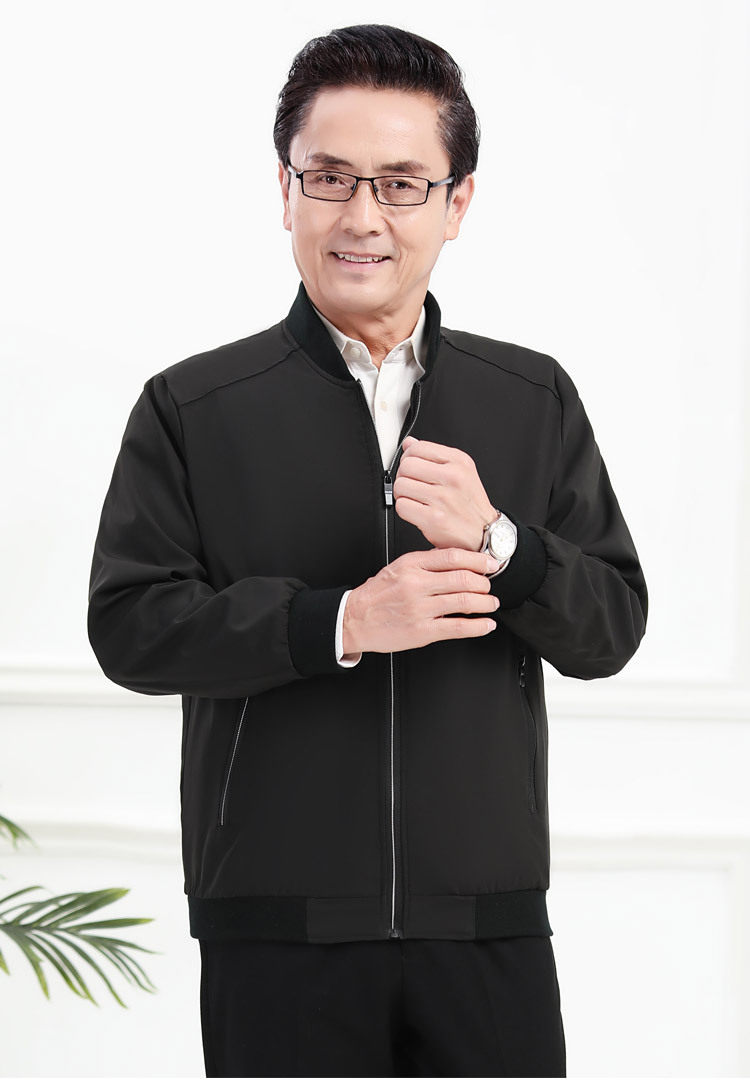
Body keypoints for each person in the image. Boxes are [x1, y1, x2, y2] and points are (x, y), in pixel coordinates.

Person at [87, 23, 647, 1077]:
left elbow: (610, 627)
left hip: (486, 919)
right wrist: (341, 621)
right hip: (274, 921)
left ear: (456, 202)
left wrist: (502, 542)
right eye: (331, 177)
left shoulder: (531, 397)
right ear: (285, 189)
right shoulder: (193, 406)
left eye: (400, 184)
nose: (361, 216)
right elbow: (130, 628)